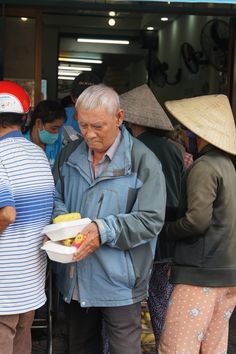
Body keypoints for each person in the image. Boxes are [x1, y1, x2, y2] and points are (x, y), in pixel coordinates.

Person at [52, 83, 166, 354]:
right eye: (83, 126)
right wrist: (61, 221)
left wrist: (102, 230)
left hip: (120, 280)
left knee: (123, 348)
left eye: (98, 126)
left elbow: (151, 219)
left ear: (119, 118)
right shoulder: (69, 154)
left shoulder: (143, 161)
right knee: (79, 346)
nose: (89, 134)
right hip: (76, 275)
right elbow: (55, 197)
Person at [159, 94, 236, 354]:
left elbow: (197, 221)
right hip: (227, 274)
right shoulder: (228, 165)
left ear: (198, 135)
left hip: (200, 274)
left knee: (178, 347)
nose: (183, 136)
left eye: (186, 131)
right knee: (213, 348)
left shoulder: (204, 167)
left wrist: (164, 230)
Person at [120, 84, 185, 350]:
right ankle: (164, 347)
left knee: (129, 306)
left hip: (144, 237)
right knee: (161, 303)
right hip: (168, 237)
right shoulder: (173, 148)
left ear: (129, 119)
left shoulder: (133, 148)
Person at [0, 80, 55, 354]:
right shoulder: (38, 155)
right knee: (22, 338)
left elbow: (7, 214)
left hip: (4, 283)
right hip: (30, 279)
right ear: (24, 119)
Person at [23, 99, 66, 168]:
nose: (57, 133)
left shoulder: (58, 143)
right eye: (53, 128)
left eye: (59, 128)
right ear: (38, 123)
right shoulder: (22, 143)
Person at [63, 71, 101, 136]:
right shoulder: (60, 116)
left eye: (91, 97)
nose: (86, 101)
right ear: (72, 97)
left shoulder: (107, 122)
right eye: (81, 97)